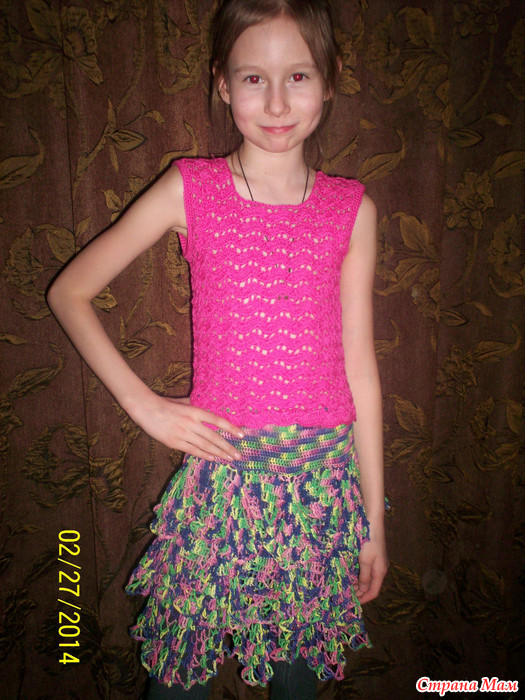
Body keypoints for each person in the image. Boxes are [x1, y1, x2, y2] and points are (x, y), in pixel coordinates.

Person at [47, 0, 388, 698]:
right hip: (221, 482)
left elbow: (359, 367)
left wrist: (373, 521)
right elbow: (69, 292)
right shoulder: (191, 188)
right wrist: (144, 405)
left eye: (297, 76)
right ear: (223, 85)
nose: (276, 101)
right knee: (177, 682)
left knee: (297, 681)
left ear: (328, 81)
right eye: (253, 77)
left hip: (322, 488)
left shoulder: (352, 208)